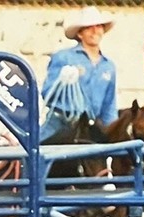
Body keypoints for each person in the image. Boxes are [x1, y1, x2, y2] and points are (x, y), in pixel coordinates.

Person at [40, 6, 117, 142]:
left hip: (90, 127)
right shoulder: (63, 57)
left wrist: (112, 130)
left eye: (98, 26)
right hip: (60, 122)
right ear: (80, 34)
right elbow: (48, 92)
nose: (95, 30)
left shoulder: (108, 66)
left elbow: (109, 105)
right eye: (89, 27)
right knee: (38, 153)